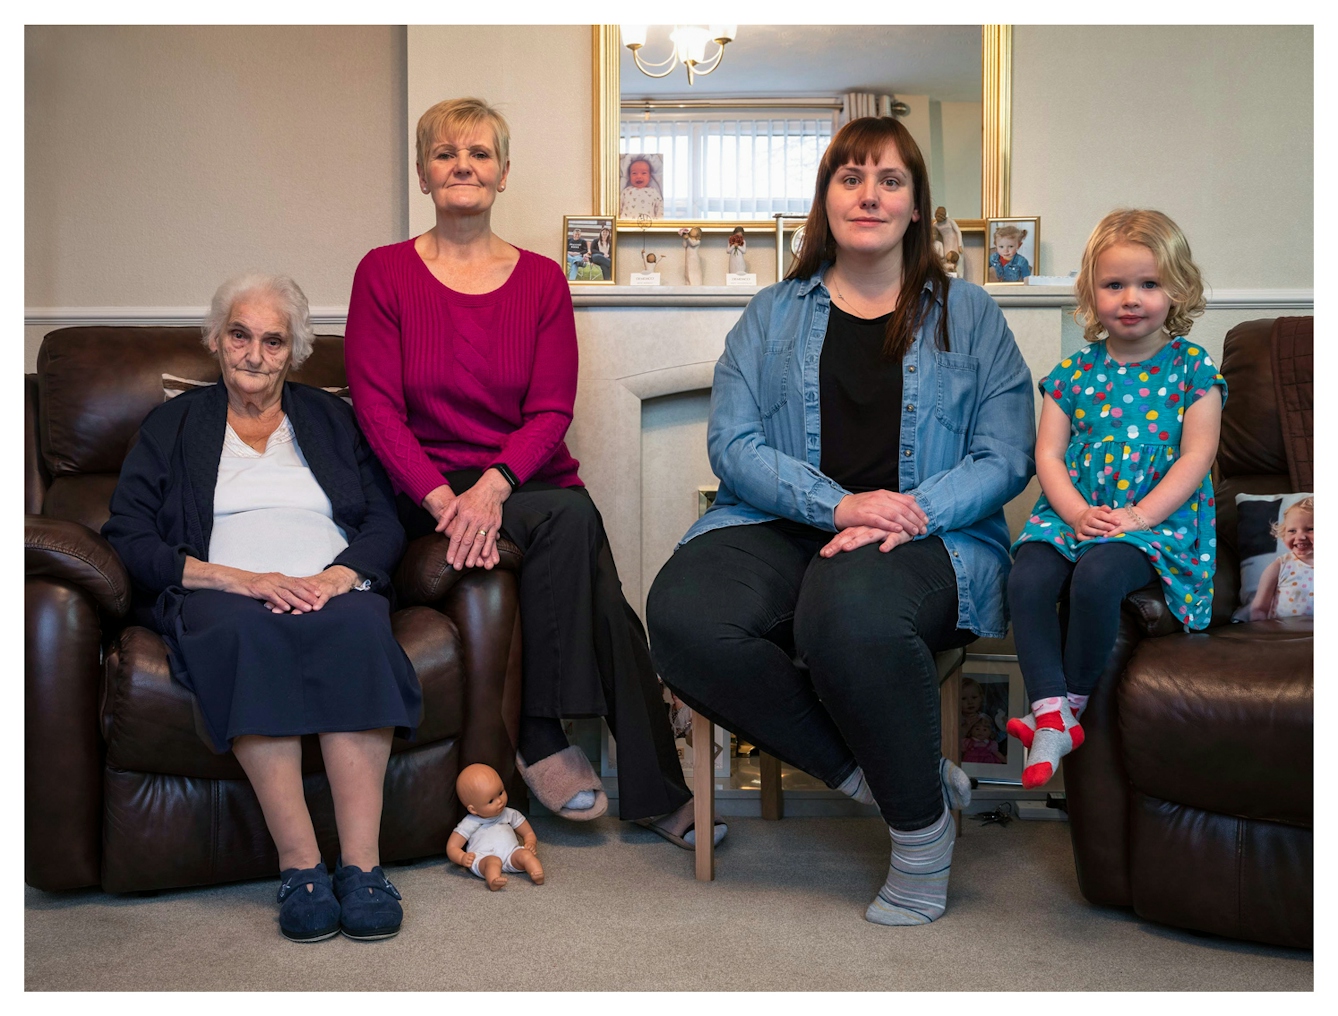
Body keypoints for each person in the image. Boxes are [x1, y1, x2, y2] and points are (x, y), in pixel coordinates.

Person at [646, 116, 1035, 926]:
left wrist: (909, 511)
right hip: (776, 522)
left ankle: (922, 841)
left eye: (891, 180)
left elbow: (1006, 455)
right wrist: (838, 504)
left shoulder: (972, 314)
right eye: (851, 176)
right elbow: (733, 442)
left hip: (925, 534)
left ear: (918, 207)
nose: (870, 194)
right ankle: (886, 778)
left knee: (848, 614)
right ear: (826, 198)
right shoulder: (771, 313)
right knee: (682, 619)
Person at [344, 97, 722, 851]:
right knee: (579, 532)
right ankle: (558, 741)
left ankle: (617, 771)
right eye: (446, 153)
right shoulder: (383, 275)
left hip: (521, 483)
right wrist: (450, 500)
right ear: (423, 172)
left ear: (504, 173)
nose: (463, 166)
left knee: (599, 586)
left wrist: (492, 488)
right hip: (424, 492)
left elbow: (551, 410)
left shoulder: (543, 281)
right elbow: (377, 411)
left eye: (480, 154)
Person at [102, 274, 419, 944]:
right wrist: (233, 579)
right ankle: (301, 867)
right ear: (216, 340)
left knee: (360, 628)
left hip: (328, 584)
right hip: (227, 594)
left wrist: (339, 575)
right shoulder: (172, 426)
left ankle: (362, 869)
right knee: (248, 635)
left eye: (273, 340)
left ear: (294, 352)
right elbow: (127, 537)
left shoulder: (335, 420)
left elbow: (386, 524)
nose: (254, 353)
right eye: (240, 335)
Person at [1006, 209, 1224, 789]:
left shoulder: (1192, 367)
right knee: (1026, 576)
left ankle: (1068, 707)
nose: (1132, 298)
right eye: (1114, 284)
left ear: (1176, 290)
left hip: (1155, 521)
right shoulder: (1072, 373)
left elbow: (1196, 456)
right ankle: (1050, 708)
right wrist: (1076, 513)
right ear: (1092, 293)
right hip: (1076, 512)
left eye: (1149, 284)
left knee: (1099, 576)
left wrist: (1138, 516)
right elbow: (1048, 455)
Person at [1250, 497, 1314, 620]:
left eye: (1311, 529)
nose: (1300, 536)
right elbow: (1259, 608)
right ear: (1283, 535)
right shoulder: (1280, 566)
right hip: (1284, 633)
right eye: (1292, 531)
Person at [619, 154, 664, 218]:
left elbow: (660, 208)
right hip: (627, 224)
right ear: (629, 176)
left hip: (648, 225)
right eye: (634, 173)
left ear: (649, 176)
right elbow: (618, 207)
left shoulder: (653, 192)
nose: (639, 176)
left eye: (644, 173)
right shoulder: (626, 191)